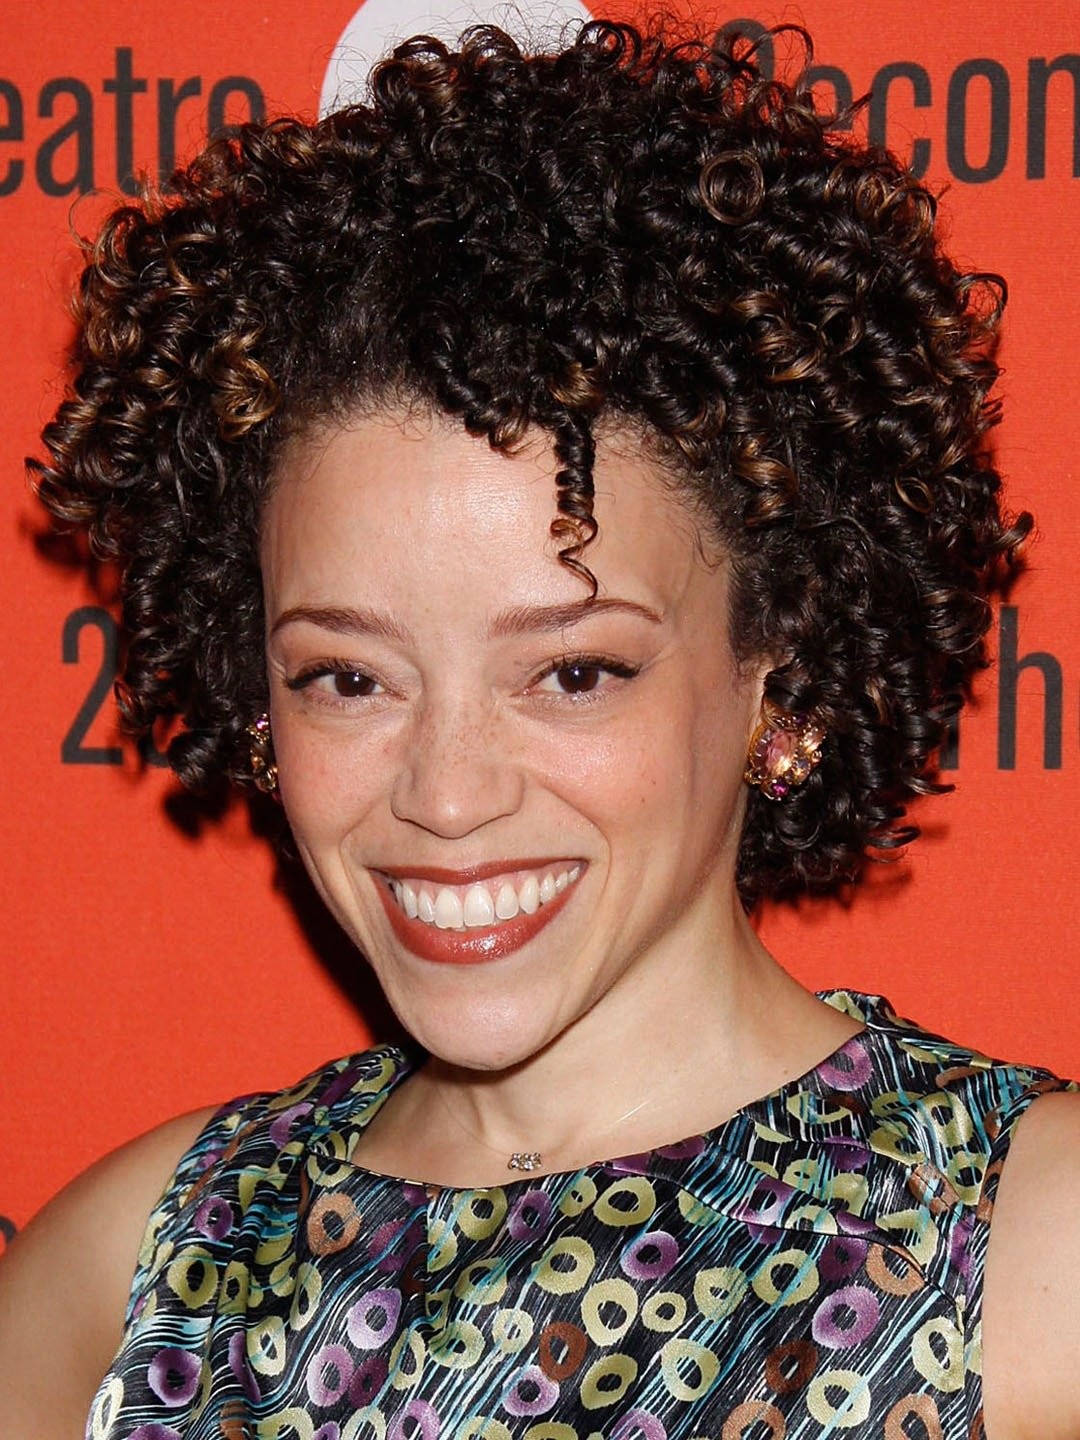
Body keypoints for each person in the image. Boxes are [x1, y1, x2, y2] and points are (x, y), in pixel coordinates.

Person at [1, 19, 1076, 1439]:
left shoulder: (1027, 1256)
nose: (447, 796)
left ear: (781, 667)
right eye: (349, 679)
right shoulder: (127, 1275)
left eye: (572, 673)